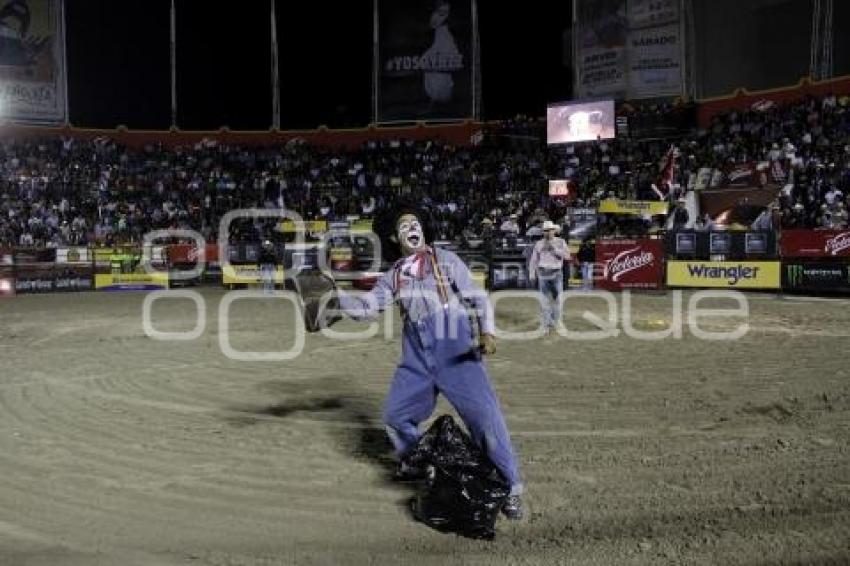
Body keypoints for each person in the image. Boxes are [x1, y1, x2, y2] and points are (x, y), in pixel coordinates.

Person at [332, 205, 524, 519]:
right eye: (404, 223)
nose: (411, 225)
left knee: (485, 419)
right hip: (416, 354)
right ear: (395, 237)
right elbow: (366, 309)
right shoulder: (393, 276)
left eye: (415, 221)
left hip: (455, 346)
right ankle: (420, 465)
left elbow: (477, 296)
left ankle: (511, 487)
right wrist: (336, 297)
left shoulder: (445, 259)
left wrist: (487, 331)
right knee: (396, 416)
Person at [528, 220, 569, 334]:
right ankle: (546, 324)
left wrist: (555, 249)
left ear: (554, 231)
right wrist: (532, 273)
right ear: (543, 232)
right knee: (544, 301)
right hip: (543, 274)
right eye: (545, 231)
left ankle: (555, 321)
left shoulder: (561, 242)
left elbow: (567, 256)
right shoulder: (539, 244)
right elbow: (534, 260)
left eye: (549, 230)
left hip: (556, 273)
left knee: (559, 300)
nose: (548, 232)